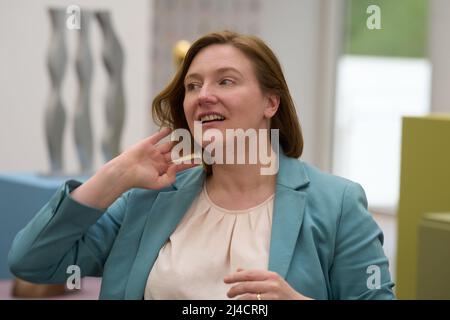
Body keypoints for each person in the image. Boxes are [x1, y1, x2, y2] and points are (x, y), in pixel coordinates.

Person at [8, 30, 395, 300]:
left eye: (225, 82)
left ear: (270, 104)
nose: (204, 96)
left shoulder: (337, 204)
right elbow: (32, 262)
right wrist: (115, 175)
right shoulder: (149, 200)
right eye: (193, 86)